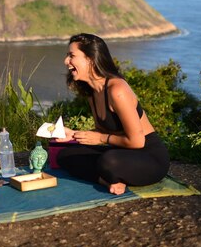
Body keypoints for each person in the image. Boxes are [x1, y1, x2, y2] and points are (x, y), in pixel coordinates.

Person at [56, 33, 170, 195]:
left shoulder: (117, 90)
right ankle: (107, 180)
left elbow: (137, 141)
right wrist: (74, 134)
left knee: (108, 161)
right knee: (65, 156)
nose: (66, 61)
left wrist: (101, 139)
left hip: (149, 158)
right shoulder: (92, 92)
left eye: (72, 56)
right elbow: (106, 133)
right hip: (122, 153)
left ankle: (111, 176)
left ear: (91, 59)